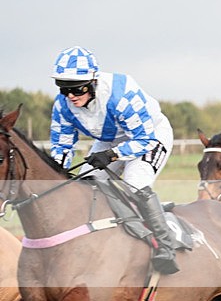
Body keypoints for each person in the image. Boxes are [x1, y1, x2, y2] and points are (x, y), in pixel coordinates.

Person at [49, 46, 179, 273]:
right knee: (85, 184)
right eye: (64, 88)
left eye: (77, 89)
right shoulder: (63, 106)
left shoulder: (121, 94)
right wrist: (57, 172)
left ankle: (165, 243)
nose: (70, 96)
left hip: (150, 134)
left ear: (93, 82)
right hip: (110, 138)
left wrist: (110, 155)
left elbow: (144, 140)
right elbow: (62, 145)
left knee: (135, 183)